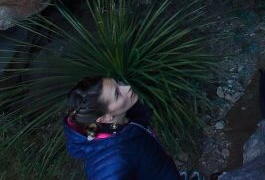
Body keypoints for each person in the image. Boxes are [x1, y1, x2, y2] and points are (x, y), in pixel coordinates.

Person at [63, 76, 192, 180]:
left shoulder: (102, 126)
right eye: (117, 94)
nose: (127, 87)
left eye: (117, 83)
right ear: (105, 118)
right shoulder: (112, 163)